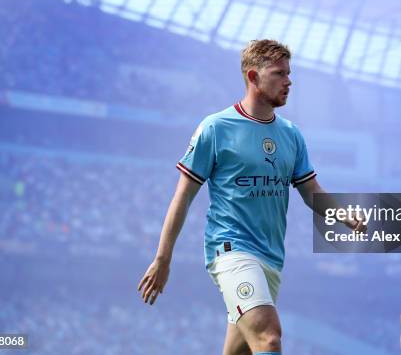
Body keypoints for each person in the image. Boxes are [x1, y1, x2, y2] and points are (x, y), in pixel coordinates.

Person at [137, 39, 364, 355]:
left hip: (270, 258)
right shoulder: (216, 128)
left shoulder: (291, 135)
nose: (289, 81)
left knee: (239, 350)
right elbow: (183, 196)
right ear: (253, 77)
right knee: (268, 337)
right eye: (279, 74)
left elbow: (311, 192)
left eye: (289, 73)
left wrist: (343, 215)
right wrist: (163, 258)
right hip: (231, 249)